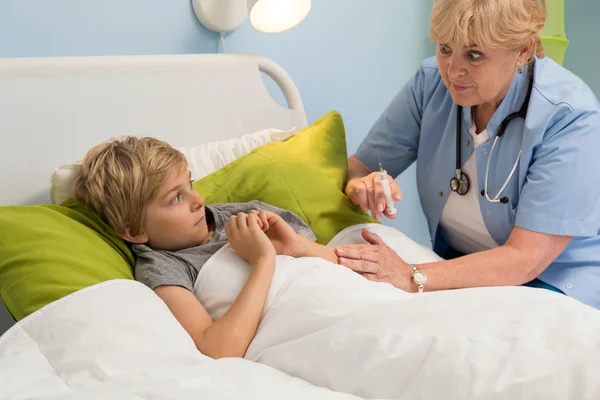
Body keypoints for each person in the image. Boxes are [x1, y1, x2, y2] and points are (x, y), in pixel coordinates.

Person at [337, 0, 600, 309]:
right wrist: (361, 186)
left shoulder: (570, 118)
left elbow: (525, 259)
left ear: (523, 51)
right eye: (445, 48)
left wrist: (410, 276)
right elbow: (359, 168)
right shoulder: (430, 84)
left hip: (551, 284)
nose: (453, 71)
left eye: (474, 55)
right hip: (459, 272)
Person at [72, 136, 338, 359]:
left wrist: (295, 245)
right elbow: (217, 351)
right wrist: (263, 260)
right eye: (175, 198)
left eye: (190, 185)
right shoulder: (164, 267)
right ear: (134, 230)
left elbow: (340, 266)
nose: (198, 200)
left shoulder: (248, 213)